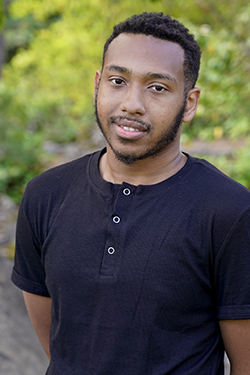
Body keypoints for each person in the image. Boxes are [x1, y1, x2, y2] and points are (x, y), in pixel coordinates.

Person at [11, 12, 250, 375]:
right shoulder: (45, 195)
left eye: (157, 87)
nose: (132, 103)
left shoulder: (230, 212)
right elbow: (61, 342)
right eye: (118, 81)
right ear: (97, 85)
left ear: (189, 102)